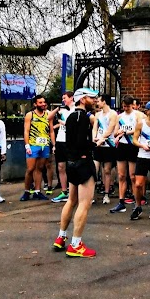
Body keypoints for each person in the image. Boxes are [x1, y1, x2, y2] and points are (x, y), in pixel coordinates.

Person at [53, 87, 99, 258]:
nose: (95, 100)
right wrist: (93, 145)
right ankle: (76, 244)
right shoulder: (82, 118)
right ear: (82, 99)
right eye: (91, 98)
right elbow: (81, 142)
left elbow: (69, 142)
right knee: (84, 204)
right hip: (82, 163)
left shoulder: (71, 116)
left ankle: (61, 237)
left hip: (72, 162)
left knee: (71, 200)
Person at [21, 95, 55, 201]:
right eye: (40, 102)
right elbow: (26, 131)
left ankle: (37, 191)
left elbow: (51, 130)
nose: (43, 104)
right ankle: (26, 191)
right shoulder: (30, 115)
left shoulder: (48, 114)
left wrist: (53, 145)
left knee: (40, 168)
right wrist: (27, 145)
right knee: (30, 169)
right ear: (35, 104)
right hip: (33, 144)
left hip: (44, 144)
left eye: (44, 102)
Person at [110, 95, 140, 213]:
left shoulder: (137, 115)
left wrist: (127, 132)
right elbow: (115, 131)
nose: (126, 108)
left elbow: (138, 129)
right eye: (124, 106)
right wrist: (119, 132)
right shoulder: (120, 116)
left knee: (132, 176)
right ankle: (121, 201)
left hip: (132, 145)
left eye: (127, 106)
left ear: (132, 104)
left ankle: (135, 200)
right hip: (122, 146)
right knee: (121, 175)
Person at [92, 93, 118, 204]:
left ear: (104, 101)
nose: (97, 102)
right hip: (98, 145)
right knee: (94, 169)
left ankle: (106, 194)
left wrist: (102, 138)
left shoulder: (113, 114)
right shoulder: (97, 115)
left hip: (108, 145)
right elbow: (94, 128)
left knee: (107, 170)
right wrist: (95, 138)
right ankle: (91, 195)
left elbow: (111, 129)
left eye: (98, 101)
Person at [50, 91, 74, 203]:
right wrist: (57, 109)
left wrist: (63, 123)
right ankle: (64, 191)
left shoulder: (76, 110)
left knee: (71, 167)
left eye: (65, 98)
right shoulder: (62, 110)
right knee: (60, 166)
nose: (63, 100)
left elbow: (74, 126)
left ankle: (73, 191)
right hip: (60, 140)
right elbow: (49, 117)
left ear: (71, 98)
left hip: (70, 141)